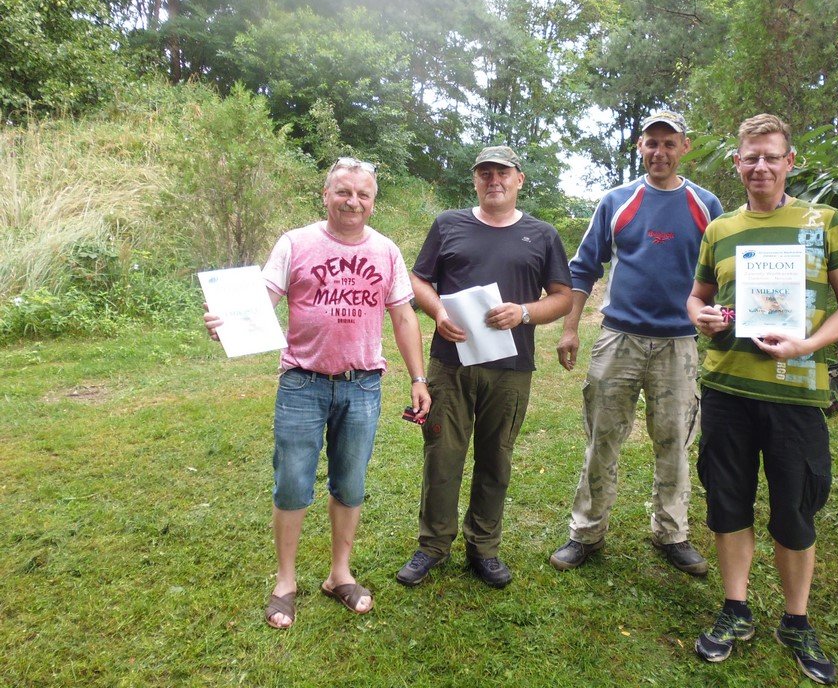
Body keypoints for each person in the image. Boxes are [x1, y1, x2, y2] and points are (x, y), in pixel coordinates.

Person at [204, 157, 431, 629]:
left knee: (350, 484)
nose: (353, 202)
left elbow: (404, 315)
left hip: (362, 385)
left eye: (363, 194)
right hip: (302, 383)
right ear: (325, 195)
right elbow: (260, 302)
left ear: (373, 202)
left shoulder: (386, 251)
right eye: (343, 192)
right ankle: (285, 582)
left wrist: (418, 378)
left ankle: (339, 575)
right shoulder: (296, 243)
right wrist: (227, 322)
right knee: (292, 483)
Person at [687, 114, 838, 685]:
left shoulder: (824, 221)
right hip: (727, 388)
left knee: (794, 507)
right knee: (728, 501)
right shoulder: (720, 228)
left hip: (796, 393)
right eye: (750, 157)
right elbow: (697, 297)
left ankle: (796, 620)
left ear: (789, 162)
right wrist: (703, 317)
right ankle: (735, 609)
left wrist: (807, 344)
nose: (760, 166)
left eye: (771, 156)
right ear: (737, 164)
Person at [549, 110, 723, 576]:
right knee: (602, 439)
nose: (659, 152)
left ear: (685, 147)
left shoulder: (706, 205)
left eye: (669, 143)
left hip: (678, 343)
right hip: (619, 339)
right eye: (652, 143)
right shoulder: (617, 201)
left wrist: (721, 319)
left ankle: (672, 532)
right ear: (640, 147)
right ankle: (586, 532)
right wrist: (570, 328)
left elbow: (722, 272)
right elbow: (584, 267)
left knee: (675, 441)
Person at [395, 145, 572, 589]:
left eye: (502, 173)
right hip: (450, 364)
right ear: (475, 180)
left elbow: (562, 297)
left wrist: (524, 313)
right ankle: (433, 545)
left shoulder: (542, 234)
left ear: (519, 179)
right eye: (485, 173)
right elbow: (418, 279)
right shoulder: (448, 224)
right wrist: (438, 311)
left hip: (511, 368)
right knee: (442, 455)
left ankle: (484, 547)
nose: (494, 180)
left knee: (496, 457)